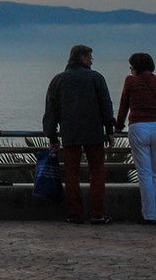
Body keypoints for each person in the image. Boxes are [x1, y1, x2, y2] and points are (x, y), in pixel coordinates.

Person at [42, 44, 115, 224]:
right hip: (94, 133)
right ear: (82, 58)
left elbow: (51, 110)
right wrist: (109, 130)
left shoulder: (58, 80)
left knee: (71, 174)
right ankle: (97, 214)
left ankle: (76, 214)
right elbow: (106, 105)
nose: (92, 61)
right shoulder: (96, 78)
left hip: (70, 133)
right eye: (90, 57)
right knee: (97, 172)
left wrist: (52, 136)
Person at [115, 53, 156, 225]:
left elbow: (124, 105)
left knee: (144, 174)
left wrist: (117, 126)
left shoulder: (130, 81)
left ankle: (149, 215)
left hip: (139, 127)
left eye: (131, 67)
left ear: (136, 67)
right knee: (155, 173)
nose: (129, 70)